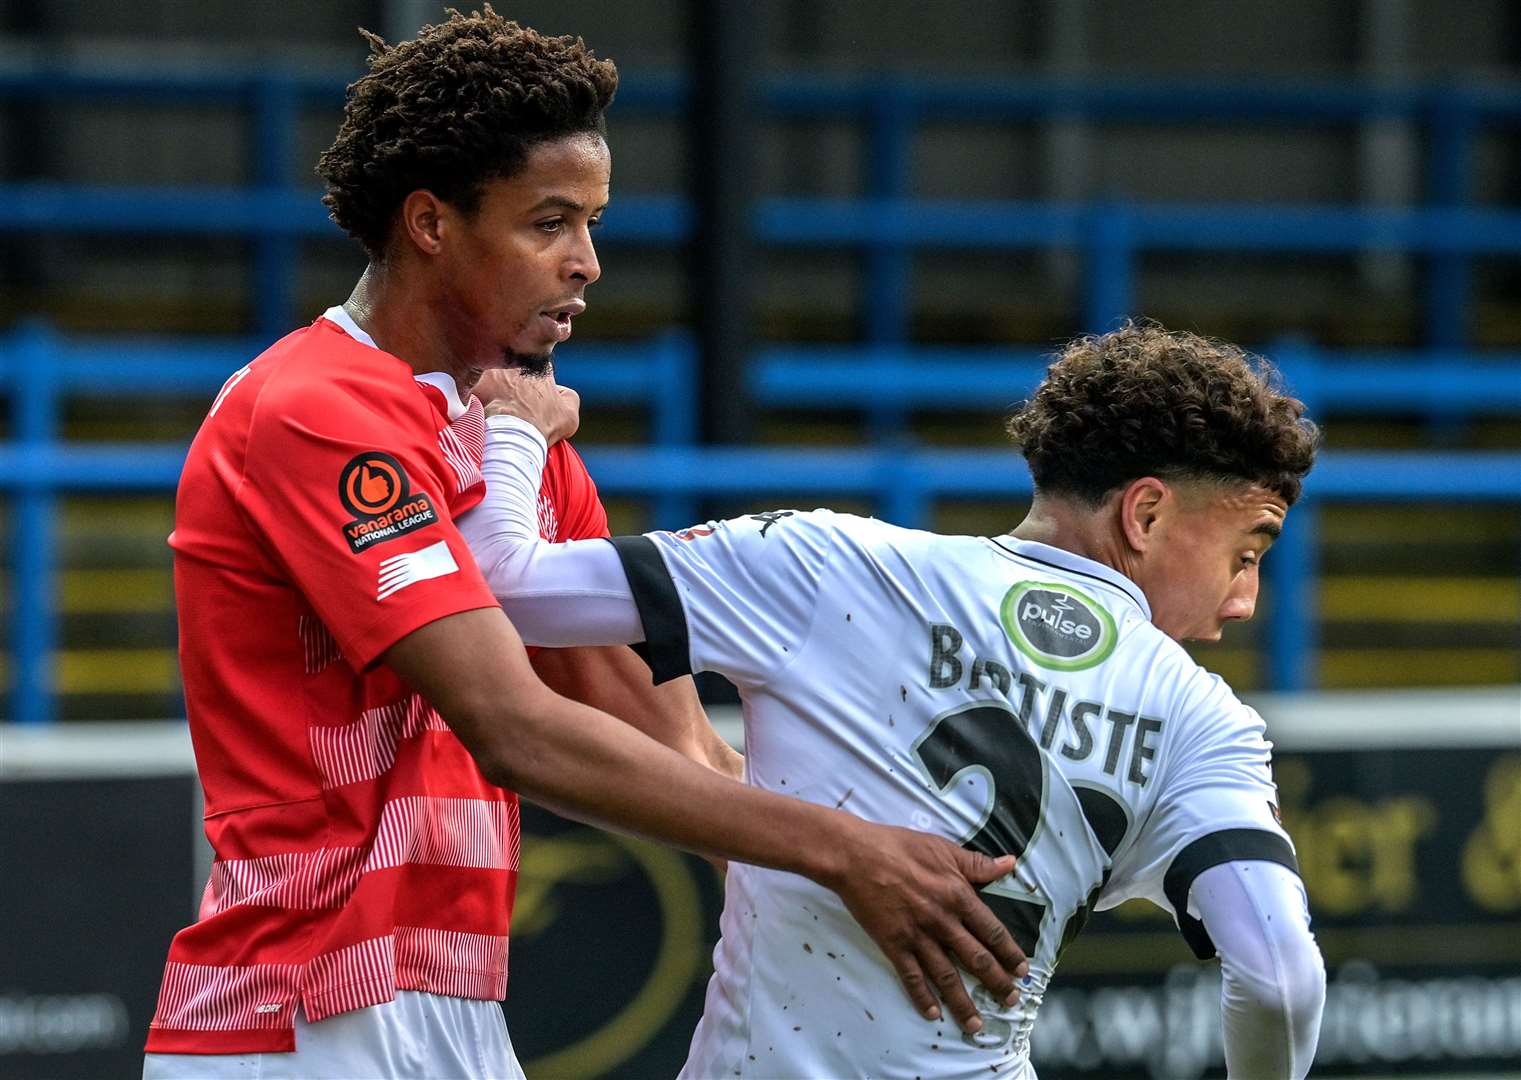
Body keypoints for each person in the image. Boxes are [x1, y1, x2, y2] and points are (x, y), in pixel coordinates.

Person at [142, 10, 1028, 1079]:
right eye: (549, 223)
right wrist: (849, 855)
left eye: (594, 223)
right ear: (431, 223)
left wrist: (914, 864)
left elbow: (678, 747)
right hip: (296, 1013)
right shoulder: (312, 408)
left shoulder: (521, 440)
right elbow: (513, 728)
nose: (588, 264)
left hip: (452, 1008)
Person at [461, 322, 1329, 1079]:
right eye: (1246, 553)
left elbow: (504, 586)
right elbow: (1279, 977)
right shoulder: (1205, 721)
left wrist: (514, 428)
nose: (1241, 601)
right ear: (1143, 514)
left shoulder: (830, 564)